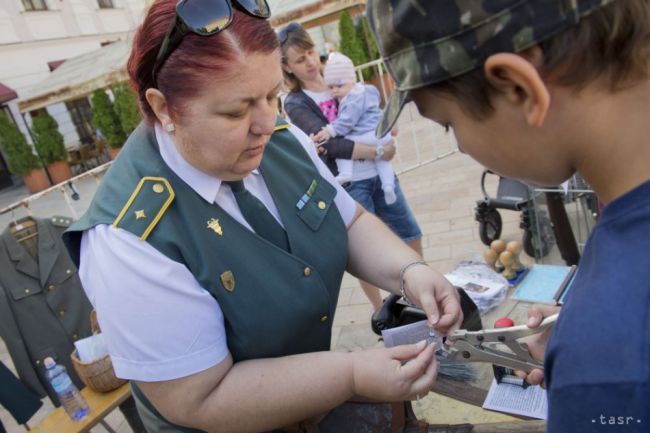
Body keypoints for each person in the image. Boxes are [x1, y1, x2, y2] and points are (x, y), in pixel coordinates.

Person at [61, 1, 464, 432]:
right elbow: (200, 398)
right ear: (164, 109)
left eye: (273, 95)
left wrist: (410, 272)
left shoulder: (282, 141)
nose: (267, 123)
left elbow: (347, 222)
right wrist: (351, 374)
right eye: (237, 111)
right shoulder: (126, 239)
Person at [367, 0, 650, 432]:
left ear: (518, 88)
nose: (459, 146)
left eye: (448, 123)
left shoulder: (601, 368)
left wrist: (588, 365)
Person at [280, 22, 423, 312]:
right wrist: (380, 150)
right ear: (286, 67)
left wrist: (386, 132)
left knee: (410, 232)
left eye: (310, 52)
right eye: (299, 59)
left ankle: (421, 289)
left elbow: (370, 113)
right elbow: (332, 146)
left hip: (379, 174)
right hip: (348, 183)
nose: (310, 62)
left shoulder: (340, 78)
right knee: (364, 250)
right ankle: (379, 309)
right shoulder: (297, 102)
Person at [313, 52, 397, 205]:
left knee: (343, 143)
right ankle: (388, 185)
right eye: (331, 87)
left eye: (339, 85)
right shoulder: (367, 90)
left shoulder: (353, 98)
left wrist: (329, 131)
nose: (335, 91)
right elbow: (378, 109)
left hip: (366, 135)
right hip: (380, 134)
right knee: (382, 162)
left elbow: (347, 122)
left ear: (352, 81)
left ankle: (345, 173)